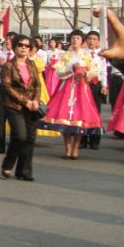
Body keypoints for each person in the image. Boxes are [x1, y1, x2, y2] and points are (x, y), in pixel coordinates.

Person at [40, 29, 102, 159]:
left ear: (82, 41)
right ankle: (68, 148)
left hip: (82, 88)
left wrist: (86, 73)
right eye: (73, 38)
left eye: (78, 38)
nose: (75, 40)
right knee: (65, 121)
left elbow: (95, 71)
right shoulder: (65, 55)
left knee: (79, 119)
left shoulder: (87, 56)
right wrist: (71, 69)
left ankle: (76, 149)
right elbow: (58, 72)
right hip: (67, 88)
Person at [0, 34, 41, 181]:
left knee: (30, 138)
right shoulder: (8, 66)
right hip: (14, 105)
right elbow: (7, 87)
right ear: (15, 46)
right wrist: (25, 101)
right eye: (20, 45)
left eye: (27, 46)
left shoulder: (32, 64)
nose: (24, 48)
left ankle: (24, 171)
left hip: (31, 107)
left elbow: (37, 84)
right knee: (20, 136)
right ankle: (8, 162)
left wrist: (35, 100)